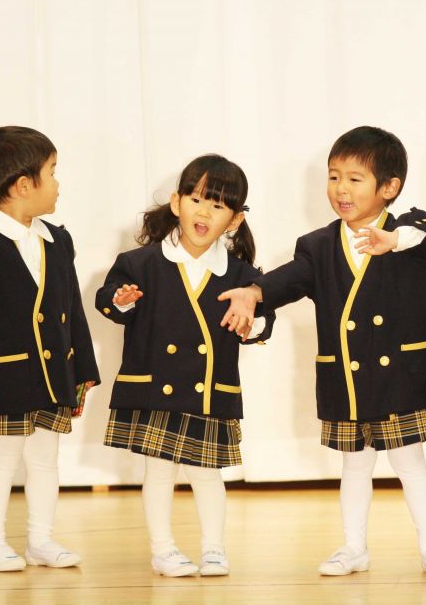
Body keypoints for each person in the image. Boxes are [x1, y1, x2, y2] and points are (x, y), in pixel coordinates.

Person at [219, 126, 426, 577]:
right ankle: (353, 547)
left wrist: (395, 240)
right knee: (354, 466)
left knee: (410, 463)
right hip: (346, 380)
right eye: (333, 177)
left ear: (389, 187)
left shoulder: (413, 233)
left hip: (399, 377)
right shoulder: (317, 245)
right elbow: (289, 279)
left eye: (354, 178)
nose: (341, 189)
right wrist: (254, 291)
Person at [96, 154, 273, 577]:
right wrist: (120, 301)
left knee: (208, 474)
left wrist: (251, 321)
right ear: (176, 203)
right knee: (158, 473)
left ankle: (214, 549)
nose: (204, 212)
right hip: (155, 388)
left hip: (208, 390)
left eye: (218, 205)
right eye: (196, 199)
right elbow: (108, 300)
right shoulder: (139, 263)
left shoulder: (241, 275)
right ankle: (163, 550)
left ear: (234, 221)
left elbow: (265, 321)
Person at [0, 126, 99, 571]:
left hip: (55, 376)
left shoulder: (58, 240)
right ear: (23, 185)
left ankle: (40, 540)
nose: (58, 183)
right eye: (53, 172)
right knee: (2, 458)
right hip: (4, 377)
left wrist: (84, 369)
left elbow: (73, 309)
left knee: (46, 459)